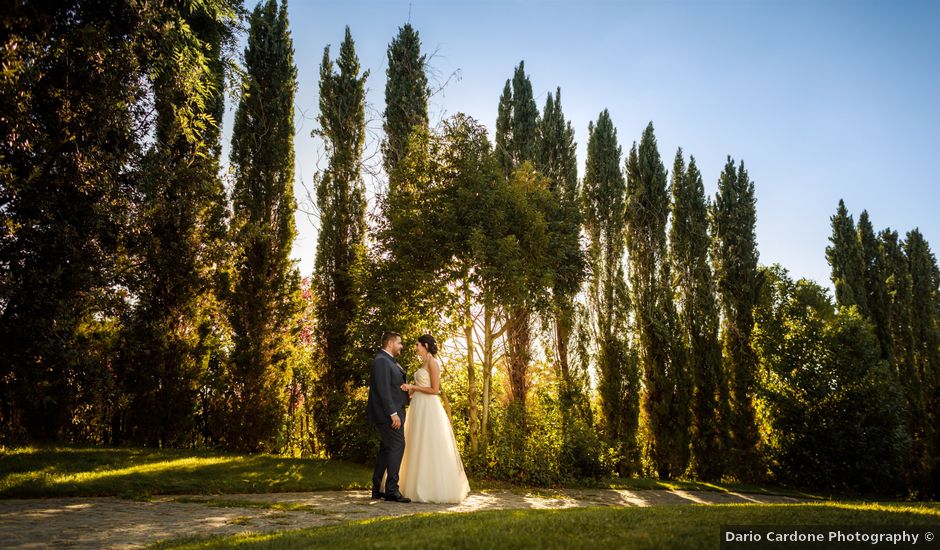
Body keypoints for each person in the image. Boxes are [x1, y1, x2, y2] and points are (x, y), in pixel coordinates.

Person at [398, 334, 470, 503]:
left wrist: (413, 386)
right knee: (416, 443)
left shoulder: (433, 363)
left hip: (429, 408)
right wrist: (411, 392)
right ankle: (414, 485)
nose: (415, 347)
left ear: (425, 345)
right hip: (418, 407)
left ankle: (431, 488)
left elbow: (435, 390)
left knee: (429, 444)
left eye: (417, 344)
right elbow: (423, 388)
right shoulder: (423, 363)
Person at [366, 331, 411, 503]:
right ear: (390, 343)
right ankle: (392, 491)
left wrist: (407, 396)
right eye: (399, 343)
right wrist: (393, 414)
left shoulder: (389, 361)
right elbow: (383, 391)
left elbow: (393, 387)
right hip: (388, 414)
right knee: (397, 446)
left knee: (386, 449)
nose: (401, 346)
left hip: (393, 411)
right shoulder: (382, 361)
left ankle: (377, 489)